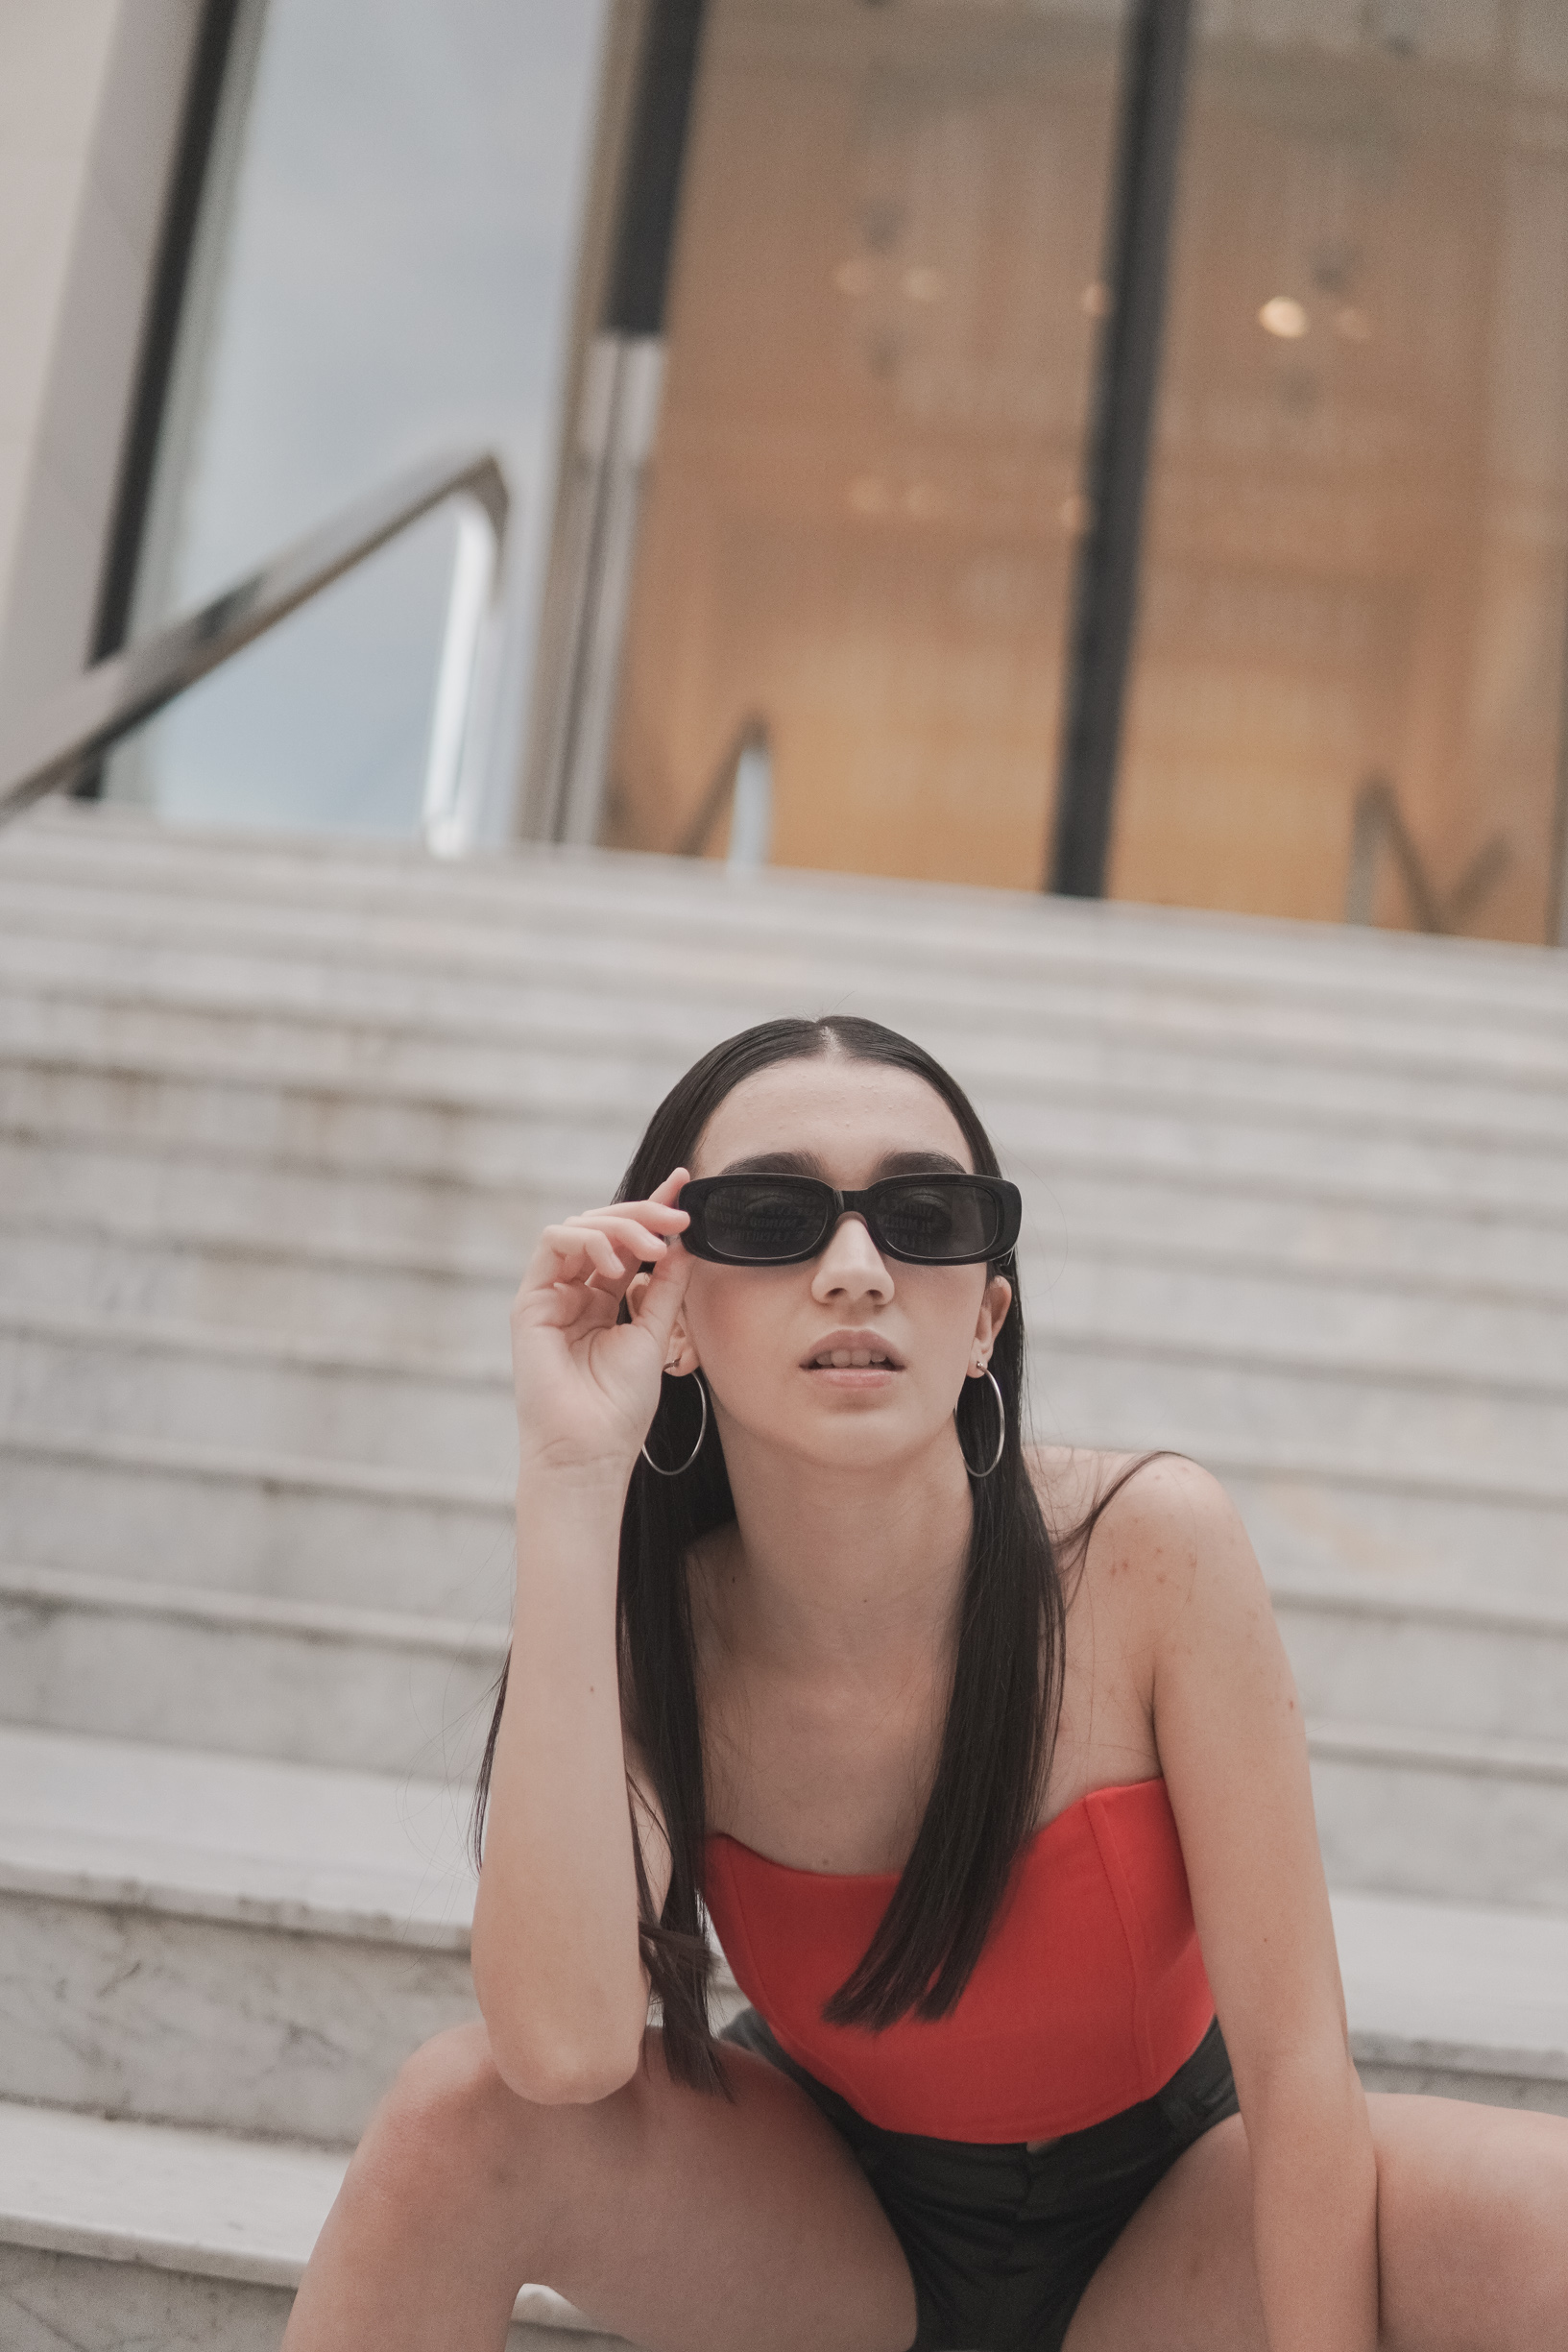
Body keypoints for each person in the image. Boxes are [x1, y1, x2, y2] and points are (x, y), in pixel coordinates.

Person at [283, 1016, 1567, 2352]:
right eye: (771, 1218)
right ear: (671, 1313)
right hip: (832, 2237)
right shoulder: (654, 1619)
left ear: (984, 1319)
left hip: (1174, 2228)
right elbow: (561, 2052)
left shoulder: (1144, 1547)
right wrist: (567, 1479)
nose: (855, 1271)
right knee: (453, 2115)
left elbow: (1298, 2073)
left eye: (923, 1217)